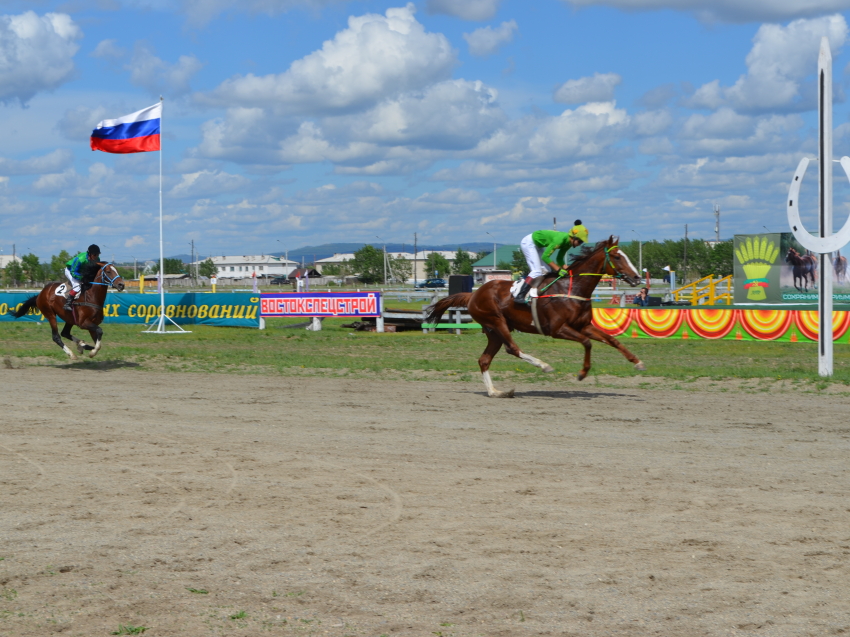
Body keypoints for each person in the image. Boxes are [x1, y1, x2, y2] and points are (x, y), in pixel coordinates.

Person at [514, 229, 573, 301]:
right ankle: (520, 295)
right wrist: (558, 270)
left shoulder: (569, 243)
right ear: (572, 238)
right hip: (529, 243)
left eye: (581, 242)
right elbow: (545, 257)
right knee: (536, 271)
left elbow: (559, 258)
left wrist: (567, 268)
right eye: (579, 241)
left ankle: (538, 292)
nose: (580, 243)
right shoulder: (560, 240)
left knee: (546, 270)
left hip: (538, 246)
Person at [64, 244, 101, 311]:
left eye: (98, 255)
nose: (96, 257)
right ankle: (67, 304)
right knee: (77, 286)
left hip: (81, 272)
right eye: (95, 255)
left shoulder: (97, 259)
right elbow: (73, 272)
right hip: (70, 270)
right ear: (89, 254)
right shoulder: (80, 259)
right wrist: (83, 279)